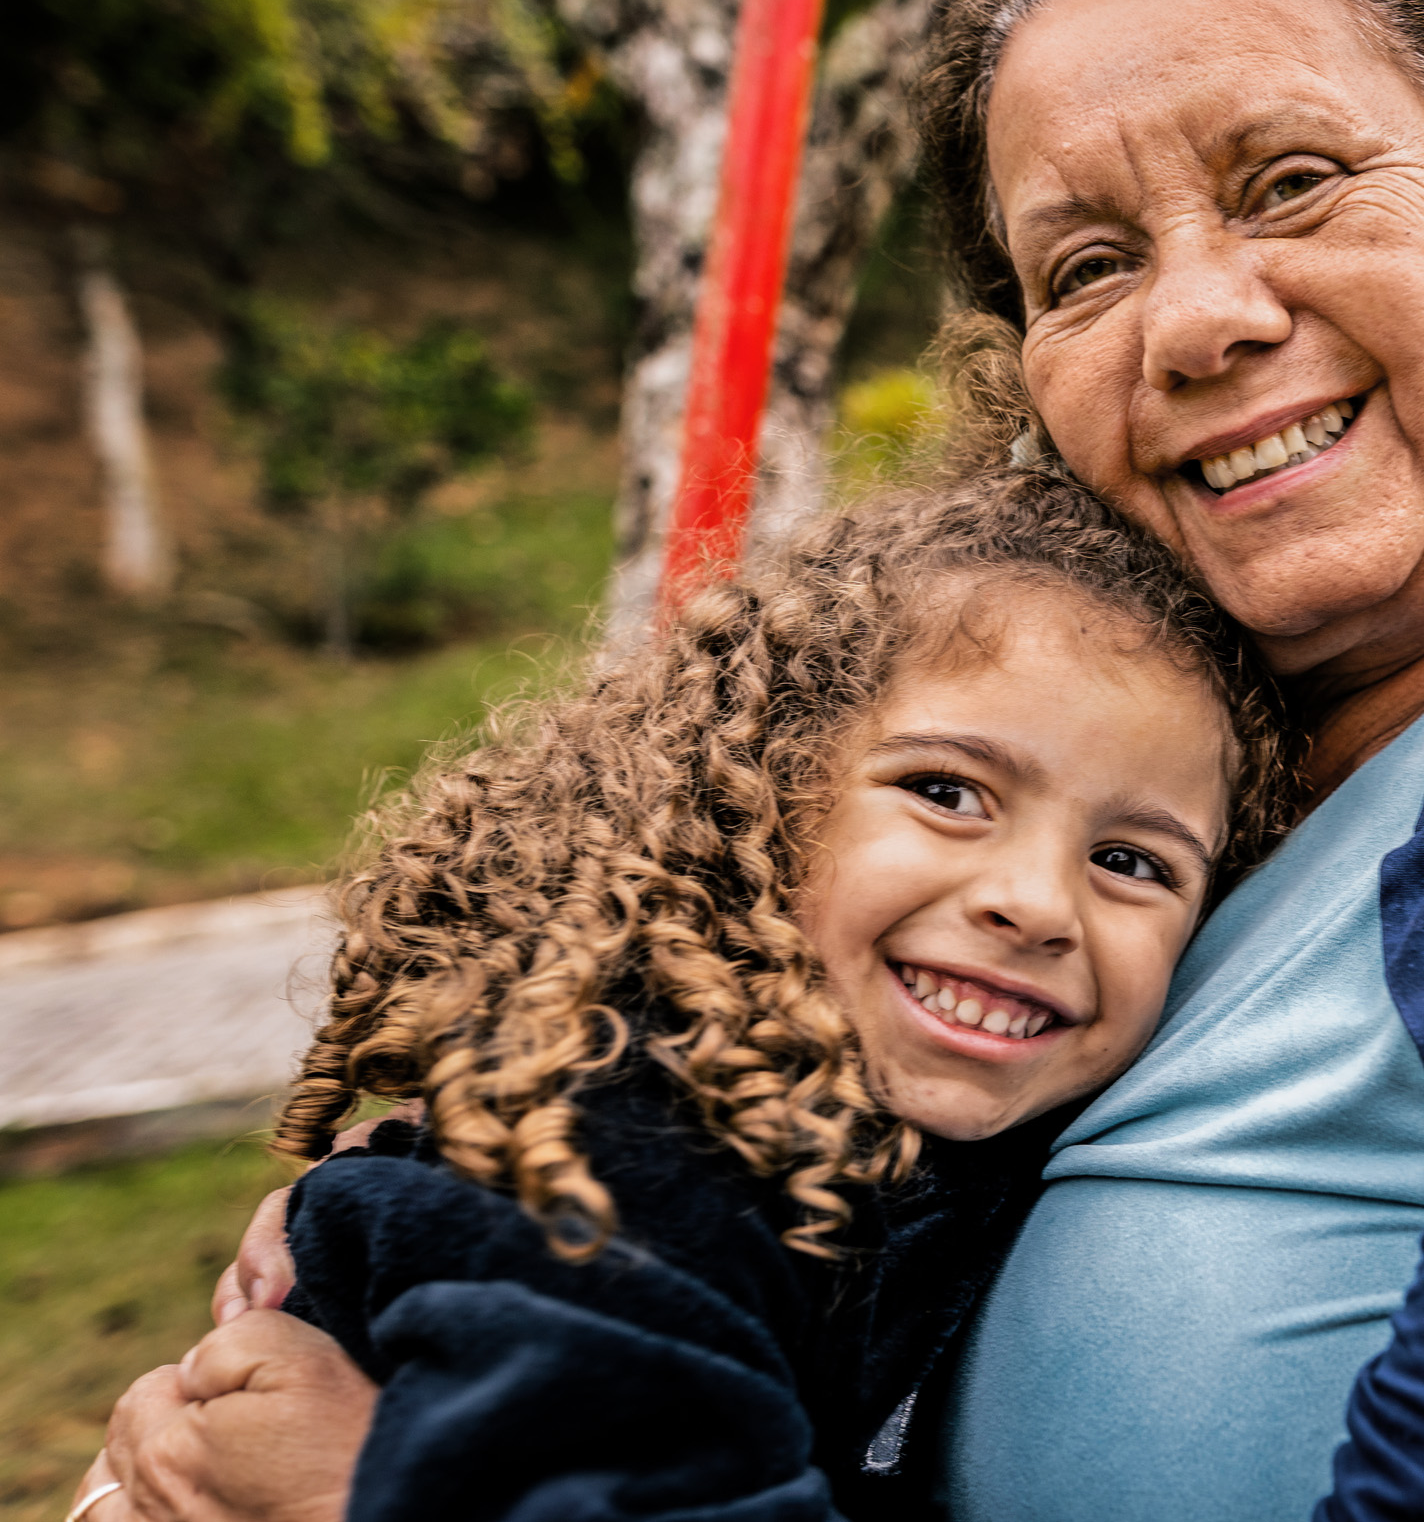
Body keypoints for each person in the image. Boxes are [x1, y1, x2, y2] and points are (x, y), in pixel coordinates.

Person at [88, 0, 1424, 1522]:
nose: (1204, 317)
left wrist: (408, 1485)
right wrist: (433, 1234)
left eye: (1294, 178)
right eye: (1085, 267)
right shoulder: (1132, 749)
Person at [74, 472, 1290, 1522]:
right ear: (757, 806)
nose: (1036, 902)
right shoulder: (643, 1143)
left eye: (1132, 862)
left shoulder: (926, 1143)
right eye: (948, 791)